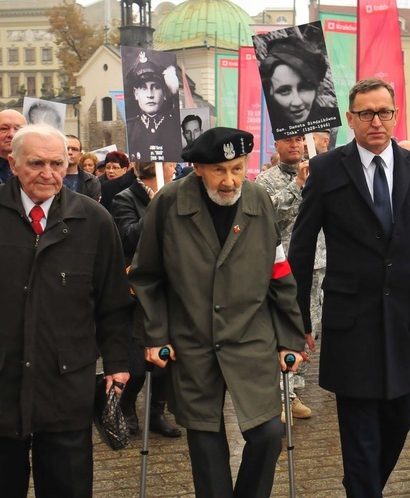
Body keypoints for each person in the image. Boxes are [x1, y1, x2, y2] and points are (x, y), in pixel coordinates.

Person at [0, 123, 133, 497]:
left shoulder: (94, 220)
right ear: (12, 163)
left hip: (66, 384)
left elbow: (113, 303)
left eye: (57, 163)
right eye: (36, 163)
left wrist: (117, 362)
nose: (48, 174)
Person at [288, 78, 410, 497]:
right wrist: (295, 321)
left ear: (396, 115)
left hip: (407, 321)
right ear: (351, 119)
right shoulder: (328, 169)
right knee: (359, 430)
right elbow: (302, 248)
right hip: (352, 322)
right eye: (366, 113)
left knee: (401, 418)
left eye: (384, 112)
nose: (376, 121)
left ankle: (361, 487)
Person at [129, 127, 307, 498]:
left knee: (268, 433)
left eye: (238, 169)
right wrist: (155, 334)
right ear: (197, 167)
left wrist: (291, 336)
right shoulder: (169, 203)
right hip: (193, 340)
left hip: (251, 336)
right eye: (219, 170)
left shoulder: (258, 200)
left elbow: (279, 274)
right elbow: (146, 276)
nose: (230, 181)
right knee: (205, 439)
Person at [111, 161, 181, 439]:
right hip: (137, 293)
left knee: (168, 362)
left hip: (172, 288)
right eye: (171, 163)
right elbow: (127, 239)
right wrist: (155, 209)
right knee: (137, 367)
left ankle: (156, 413)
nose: (175, 167)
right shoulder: (124, 197)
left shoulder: (177, 193)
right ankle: (126, 407)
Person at [255, 134, 317, 423]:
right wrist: (299, 185)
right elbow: (267, 216)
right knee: (285, 331)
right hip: (282, 269)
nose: (295, 145)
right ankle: (279, 395)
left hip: (316, 265)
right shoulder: (264, 181)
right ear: (275, 146)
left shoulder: (320, 173)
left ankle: (294, 392)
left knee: (309, 331)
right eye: (288, 141)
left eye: (300, 140)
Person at [259, 36, 339, 135]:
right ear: (270, 91)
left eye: (304, 88)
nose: (297, 102)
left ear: (315, 88)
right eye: (284, 91)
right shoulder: (263, 131)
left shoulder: (336, 120)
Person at [125, 53, 180, 162]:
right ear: (136, 94)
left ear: (164, 93)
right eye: (143, 88)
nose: (150, 94)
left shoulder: (176, 127)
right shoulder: (129, 128)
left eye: (156, 87)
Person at [62, 135, 101, 201]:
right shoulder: (49, 177)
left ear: (80, 155)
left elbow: (93, 208)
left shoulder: (91, 181)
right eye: (66, 148)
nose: (70, 152)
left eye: (74, 149)